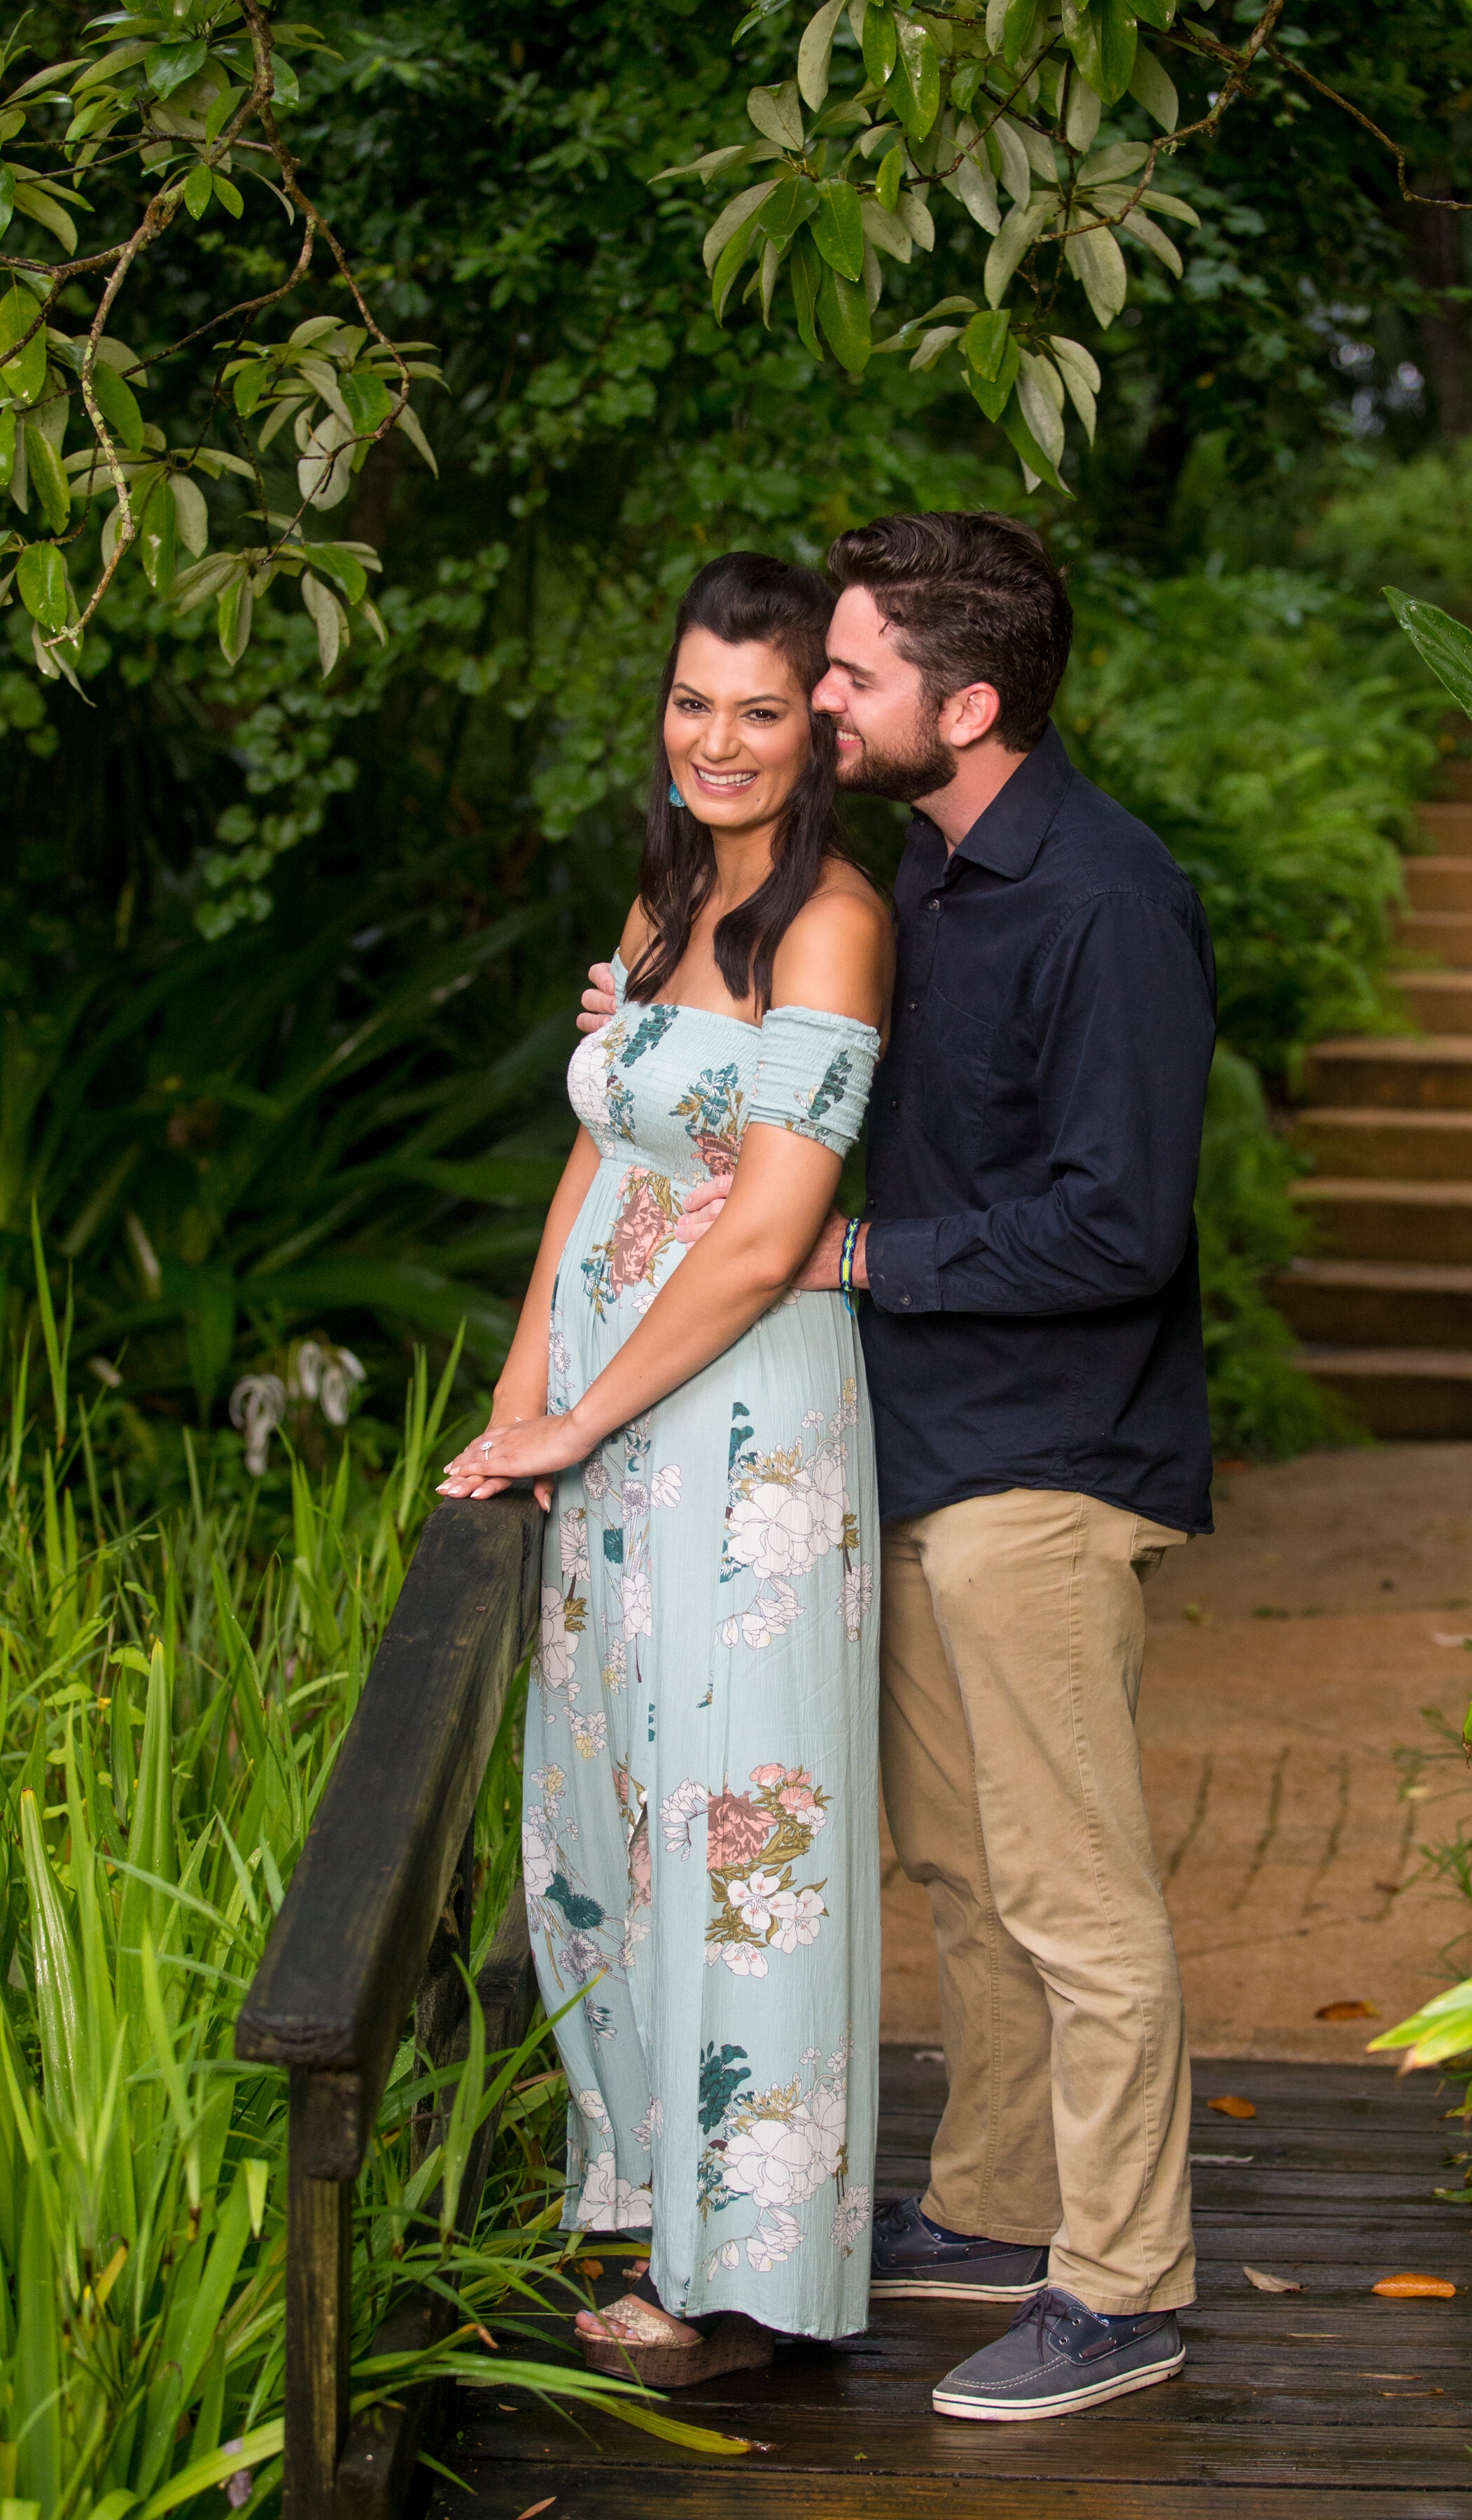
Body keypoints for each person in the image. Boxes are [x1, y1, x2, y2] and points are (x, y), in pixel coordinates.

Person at [579, 510, 1215, 2423]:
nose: (821, 705)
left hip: (1052, 1463)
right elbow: (806, 1073)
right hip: (916, 1445)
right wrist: (665, 1039)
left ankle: (1127, 2285)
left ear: (974, 698)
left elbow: (1126, 1226)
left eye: (848, 676)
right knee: (960, 1859)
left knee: (1076, 1888)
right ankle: (1009, 2198)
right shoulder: (923, 881)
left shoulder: (1107, 899)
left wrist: (861, 1259)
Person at [439, 550, 895, 2381]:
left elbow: (773, 1228)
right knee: (613, 1809)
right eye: (694, 703)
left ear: (818, 736)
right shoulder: (661, 895)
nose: (719, 740)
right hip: (609, 1425)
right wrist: (522, 1382)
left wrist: (584, 1407)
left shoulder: (833, 924)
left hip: (742, 1434)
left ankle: (749, 2282)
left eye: (761, 712)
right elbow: (607, 1161)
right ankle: (650, 2199)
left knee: (739, 1831)